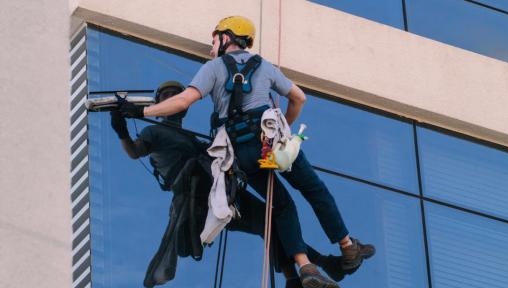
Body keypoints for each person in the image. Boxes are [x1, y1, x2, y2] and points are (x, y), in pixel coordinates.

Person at [120, 16, 375, 288]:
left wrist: (141, 111)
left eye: (214, 40)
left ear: (227, 37)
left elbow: (184, 100)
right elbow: (299, 98)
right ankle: (347, 246)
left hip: (241, 153)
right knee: (315, 190)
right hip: (270, 142)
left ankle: (306, 266)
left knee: (281, 206)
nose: (211, 47)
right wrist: (284, 128)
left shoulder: (213, 68)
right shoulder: (265, 67)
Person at [111, 81, 359, 288]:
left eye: (175, 95)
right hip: (197, 196)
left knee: (270, 220)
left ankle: (297, 275)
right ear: (159, 105)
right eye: (166, 96)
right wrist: (122, 131)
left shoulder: (191, 137)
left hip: (215, 190)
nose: (172, 99)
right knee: (272, 219)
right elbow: (135, 151)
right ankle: (319, 266)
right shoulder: (154, 133)